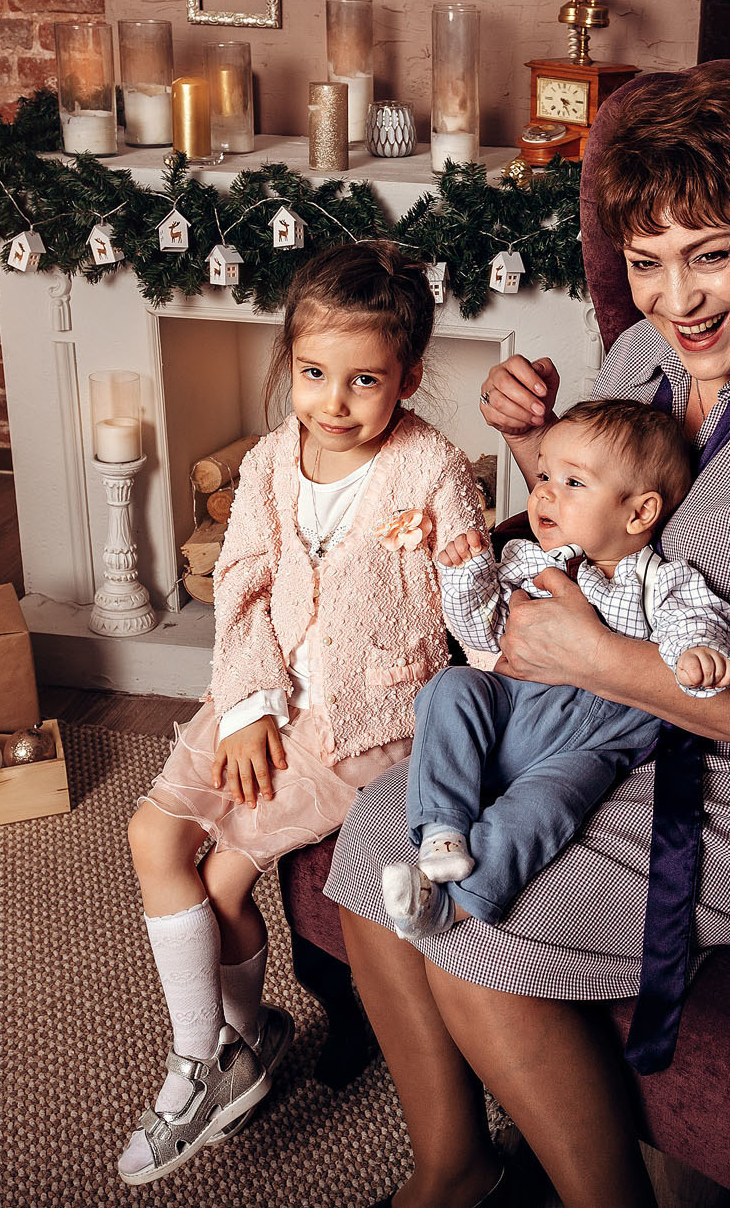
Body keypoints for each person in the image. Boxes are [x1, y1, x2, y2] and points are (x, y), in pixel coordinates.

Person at [325, 66, 730, 1208]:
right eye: (648, 262)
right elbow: (602, 529)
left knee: (483, 926)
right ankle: (452, 1170)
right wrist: (536, 449)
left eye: (711, 254)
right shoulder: (643, 357)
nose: (677, 299)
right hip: (587, 722)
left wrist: (592, 656)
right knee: (374, 837)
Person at [117, 243, 488, 1185]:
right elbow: (242, 584)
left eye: (365, 380)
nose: (334, 401)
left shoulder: (433, 469)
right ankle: (220, 1051)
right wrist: (245, 707)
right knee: (152, 836)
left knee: (226, 883)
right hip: (262, 690)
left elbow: (474, 608)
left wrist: (494, 727)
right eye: (315, 373)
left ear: (407, 377)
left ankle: (217, 1057)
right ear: (289, 361)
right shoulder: (272, 459)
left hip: (361, 722)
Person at [386, 398, 730, 941]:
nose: (544, 492)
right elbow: (482, 631)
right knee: (450, 688)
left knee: (543, 810)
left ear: (639, 514)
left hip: (592, 743)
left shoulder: (656, 580)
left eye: (572, 482)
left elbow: (695, 619)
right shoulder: (527, 561)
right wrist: (467, 575)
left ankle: (452, 908)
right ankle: (442, 831)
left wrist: (698, 653)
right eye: (545, 475)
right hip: (514, 703)